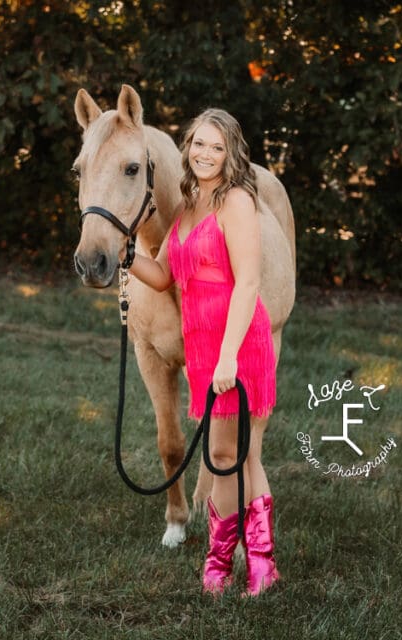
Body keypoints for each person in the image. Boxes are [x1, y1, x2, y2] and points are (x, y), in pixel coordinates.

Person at [126, 108, 280, 596]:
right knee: (218, 453)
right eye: (199, 144)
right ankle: (218, 559)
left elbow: (249, 282)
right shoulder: (188, 207)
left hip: (237, 342)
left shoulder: (236, 201)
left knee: (244, 455)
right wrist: (129, 257)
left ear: (230, 152)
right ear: (186, 148)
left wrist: (229, 356)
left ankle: (260, 563)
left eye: (217, 146)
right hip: (203, 344)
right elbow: (165, 274)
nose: (206, 154)